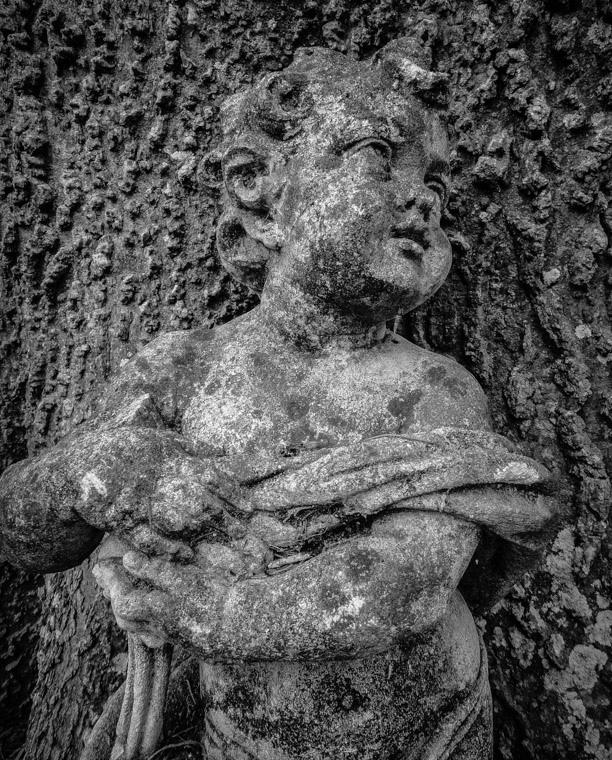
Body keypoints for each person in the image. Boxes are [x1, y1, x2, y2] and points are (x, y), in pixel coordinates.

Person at [0, 39, 554, 760]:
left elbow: (404, 586)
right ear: (262, 192)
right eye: (379, 157)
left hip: (427, 729)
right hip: (240, 736)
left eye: (436, 183)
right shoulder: (181, 370)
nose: (421, 198)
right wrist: (96, 470)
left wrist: (207, 608)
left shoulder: (434, 390)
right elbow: (23, 531)